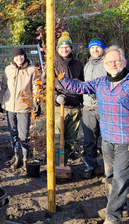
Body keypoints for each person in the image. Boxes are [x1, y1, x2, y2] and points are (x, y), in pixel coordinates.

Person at [55, 45, 129, 224]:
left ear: (123, 62)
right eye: (109, 62)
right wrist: (60, 77)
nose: (113, 64)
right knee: (110, 176)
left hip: (126, 140)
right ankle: (115, 207)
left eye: (116, 61)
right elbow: (78, 87)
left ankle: (113, 216)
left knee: (121, 179)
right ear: (104, 65)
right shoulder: (100, 83)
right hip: (107, 138)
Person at [43, 31, 84, 166]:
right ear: (57, 49)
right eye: (61, 47)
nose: (64, 49)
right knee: (56, 139)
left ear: (71, 48)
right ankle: (55, 167)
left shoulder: (78, 64)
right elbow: (44, 85)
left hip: (75, 108)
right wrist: (55, 96)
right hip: (58, 107)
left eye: (67, 47)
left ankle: (63, 164)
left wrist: (81, 102)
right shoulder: (52, 63)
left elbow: (83, 84)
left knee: (69, 140)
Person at [0, 47, 37, 169]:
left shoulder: (32, 69)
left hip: (24, 106)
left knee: (24, 134)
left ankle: (25, 158)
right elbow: (3, 86)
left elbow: (36, 88)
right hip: (9, 106)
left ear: (24, 56)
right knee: (13, 132)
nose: (19, 58)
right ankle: (16, 157)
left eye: (21, 56)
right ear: (13, 58)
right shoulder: (8, 69)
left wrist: (37, 103)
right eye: (16, 56)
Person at [81, 38, 107, 178]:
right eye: (92, 48)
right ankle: (89, 165)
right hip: (88, 107)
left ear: (103, 49)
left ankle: (108, 168)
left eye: (98, 47)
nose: (95, 50)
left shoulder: (107, 64)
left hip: (104, 108)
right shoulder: (87, 65)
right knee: (89, 139)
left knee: (106, 140)